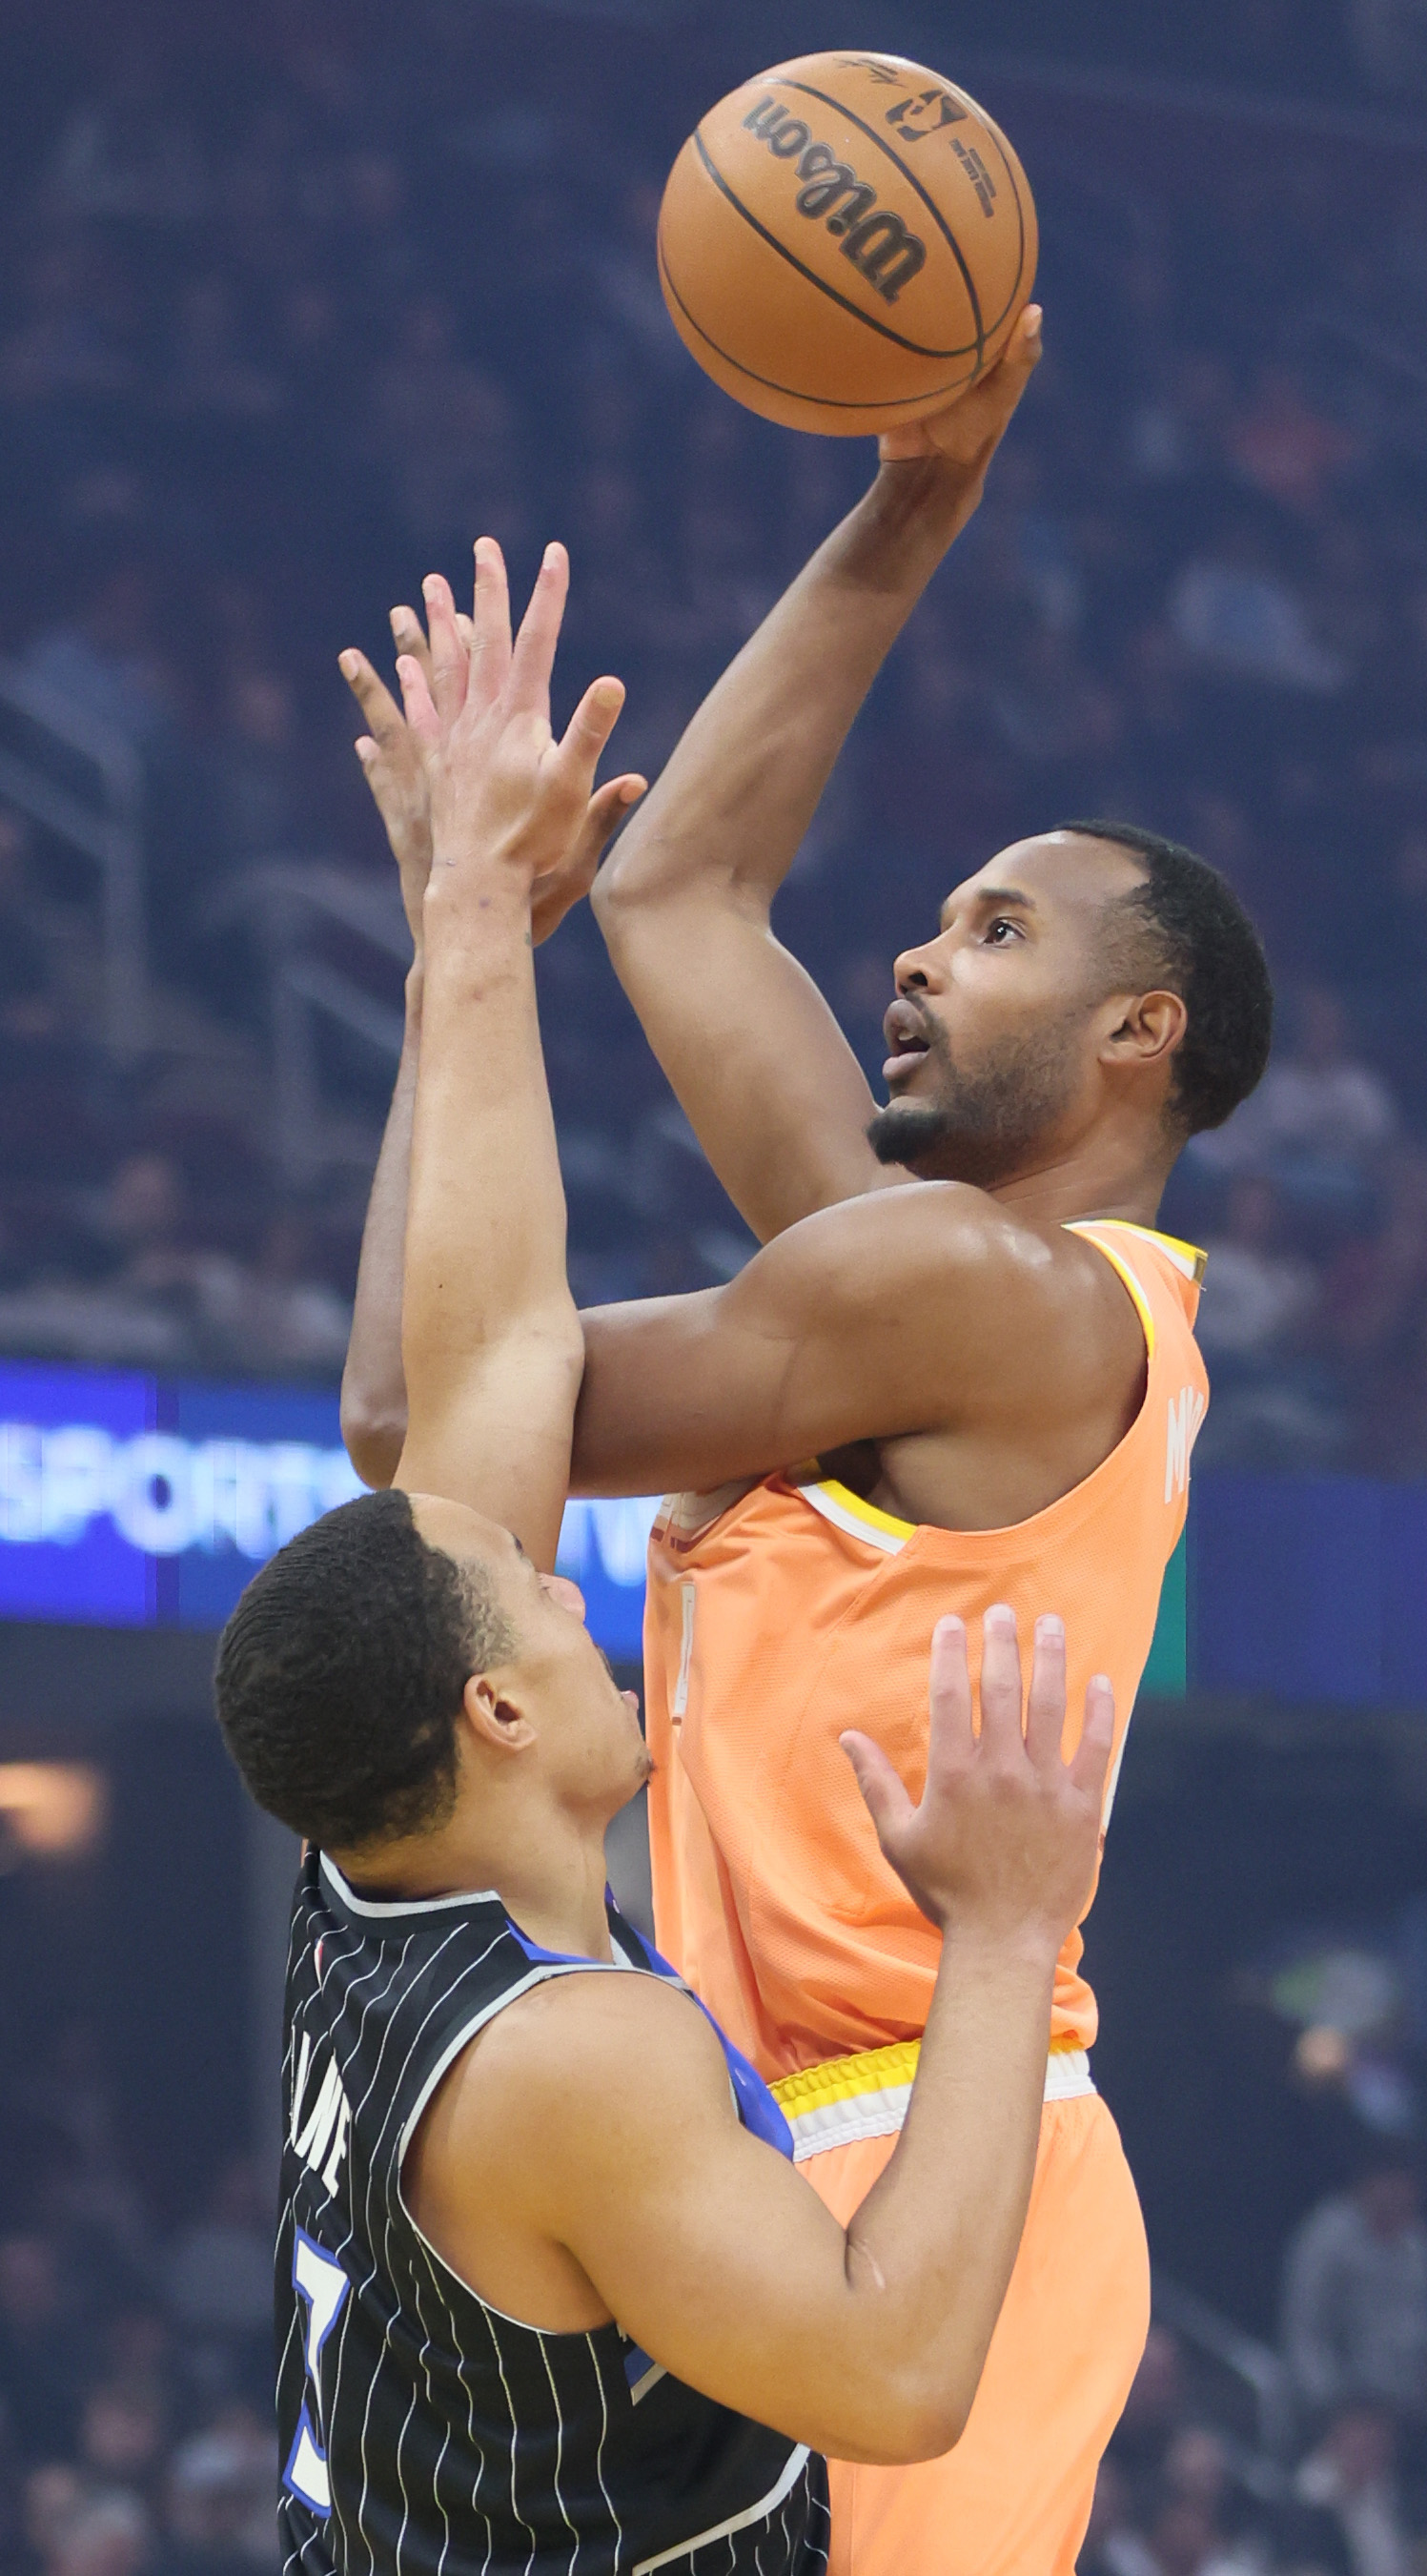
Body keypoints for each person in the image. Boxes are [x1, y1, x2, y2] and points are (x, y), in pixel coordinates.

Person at [339, 314, 1274, 2576]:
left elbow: (421, 1425)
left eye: (994, 929)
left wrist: (460, 948)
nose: (916, 958)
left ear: (1133, 1033)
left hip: (905, 2148)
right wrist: (907, 499)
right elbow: (674, 893)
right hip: (796, 2147)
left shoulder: (958, 1290)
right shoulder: (942, 1286)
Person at [216, 544, 1114, 2575]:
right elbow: (890, 2383)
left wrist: (472, 926)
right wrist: (997, 1929)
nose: (581, 1579)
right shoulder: (566, 2046)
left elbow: (476, 1364)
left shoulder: (388, 1856)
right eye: (544, 1591)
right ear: (496, 1707)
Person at [1282, 2158, 1427, 2428]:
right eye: (1393, 2187)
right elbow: (1306, 2331)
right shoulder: (1328, 2237)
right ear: (1370, 2185)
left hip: (1406, 2407)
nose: (1400, 2197)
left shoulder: (1416, 2249)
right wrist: (1331, 2405)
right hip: (1340, 2402)